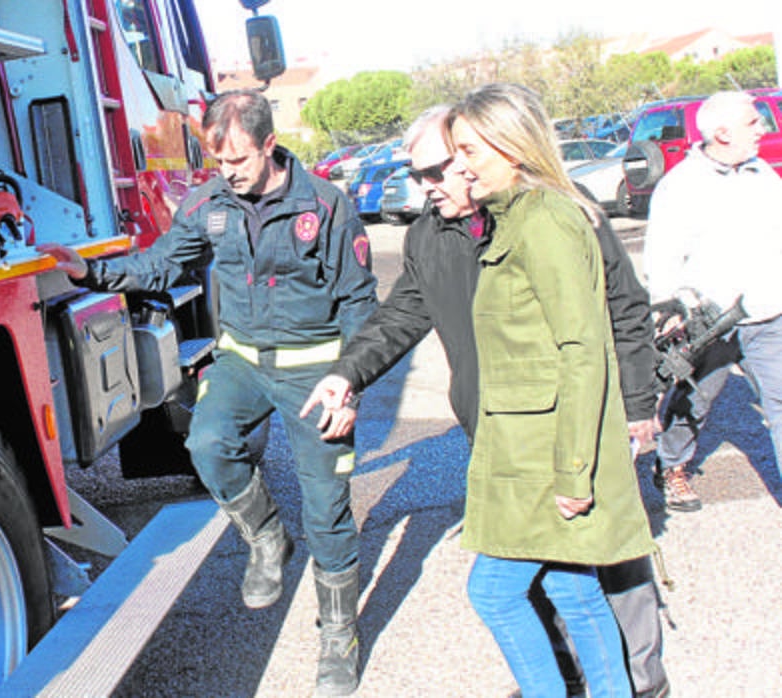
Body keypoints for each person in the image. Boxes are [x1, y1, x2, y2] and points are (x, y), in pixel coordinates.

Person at [302, 102, 670, 697]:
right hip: (500, 434)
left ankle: (641, 684)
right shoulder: (431, 233)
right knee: (566, 584)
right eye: (416, 174)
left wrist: (635, 405)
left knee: (603, 578)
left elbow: (617, 315)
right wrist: (350, 373)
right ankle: (574, 681)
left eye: (438, 169)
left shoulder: (551, 213)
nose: (425, 186)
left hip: (567, 433)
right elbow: (402, 314)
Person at [38, 89, 378, 697]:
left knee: (328, 511)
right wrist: (91, 272)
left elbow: (357, 301)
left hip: (315, 370)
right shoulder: (208, 202)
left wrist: (350, 384)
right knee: (208, 444)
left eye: (239, 162)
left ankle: (338, 638)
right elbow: (163, 265)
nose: (229, 174)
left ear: (270, 146)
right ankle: (267, 537)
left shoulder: (325, 206)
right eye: (219, 163)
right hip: (245, 362)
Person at [643, 90, 782, 512]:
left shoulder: (763, 174)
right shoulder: (680, 185)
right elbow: (661, 256)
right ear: (722, 133)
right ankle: (671, 466)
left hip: (767, 314)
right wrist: (670, 308)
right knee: (693, 405)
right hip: (709, 323)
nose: (762, 128)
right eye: (752, 121)